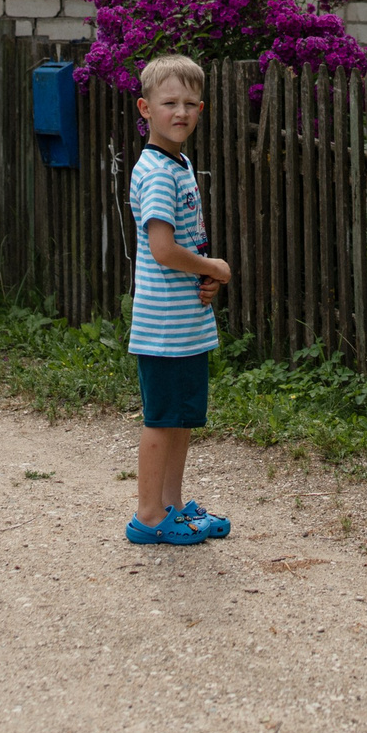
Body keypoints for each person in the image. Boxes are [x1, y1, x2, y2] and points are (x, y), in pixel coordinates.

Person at [122, 53, 234, 547]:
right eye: (169, 103)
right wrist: (213, 268)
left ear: (202, 108)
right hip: (163, 326)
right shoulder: (158, 172)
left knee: (182, 418)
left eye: (190, 103)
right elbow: (164, 249)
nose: (181, 112)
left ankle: (171, 505)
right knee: (162, 420)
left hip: (185, 319)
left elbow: (184, 242)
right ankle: (148, 516)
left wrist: (204, 279)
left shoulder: (179, 162)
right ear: (145, 108)